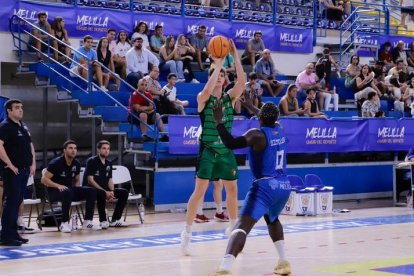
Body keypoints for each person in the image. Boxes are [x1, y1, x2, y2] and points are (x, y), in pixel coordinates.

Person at [180, 39, 246, 255]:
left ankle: (234, 229)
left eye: (222, 76)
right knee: (199, 192)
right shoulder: (203, 99)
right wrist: (217, 64)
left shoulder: (229, 98)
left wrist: (234, 57)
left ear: (225, 81)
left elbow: (242, 82)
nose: (219, 78)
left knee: (233, 189)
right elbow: (207, 90)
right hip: (208, 149)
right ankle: (187, 235)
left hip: (225, 151)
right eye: (216, 75)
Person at [211, 100, 291, 276]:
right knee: (272, 219)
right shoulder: (280, 128)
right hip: (284, 185)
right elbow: (266, 116)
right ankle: (283, 261)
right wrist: (249, 105)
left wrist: (218, 122)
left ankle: (225, 268)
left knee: (241, 226)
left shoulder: (257, 135)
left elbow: (231, 143)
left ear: (260, 117)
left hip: (265, 186)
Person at [41, 140, 101, 233]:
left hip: (69, 190)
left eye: (75, 148)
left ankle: (87, 222)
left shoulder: (76, 163)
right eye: (70, 148)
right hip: (54, 192)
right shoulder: (56, 163)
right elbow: (44, 179)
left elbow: (77, 179)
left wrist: (77, 190)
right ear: (64, 150)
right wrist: (58, 185)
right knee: (67, 192)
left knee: (91, 191)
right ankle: (64, 223)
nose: (73, 150)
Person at [0, 99, 36, 246]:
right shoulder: (5, 126)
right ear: (9, 110)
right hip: (12, 171)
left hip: (24, 170)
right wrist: (9, 163)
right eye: (17, 108)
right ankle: (5, 236)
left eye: (21, 107)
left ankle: (13, 233)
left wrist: (33, 163)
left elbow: (30, 144)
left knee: (16, 203)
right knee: (11, 202)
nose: (20, 110)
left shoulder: (22, 126)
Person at [85, 140, 128, 228]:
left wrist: (111, 191)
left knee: (123, 192)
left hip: (105, 189)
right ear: (98, 150)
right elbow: (90, 180)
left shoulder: (109, 163)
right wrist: (105, 192)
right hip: (91, 190)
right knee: (101, 193)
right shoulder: (92, 161)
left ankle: (115, 219)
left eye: (108, 149)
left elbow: (110, 179)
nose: (106, 150)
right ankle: (103, 220)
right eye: (104, 148)